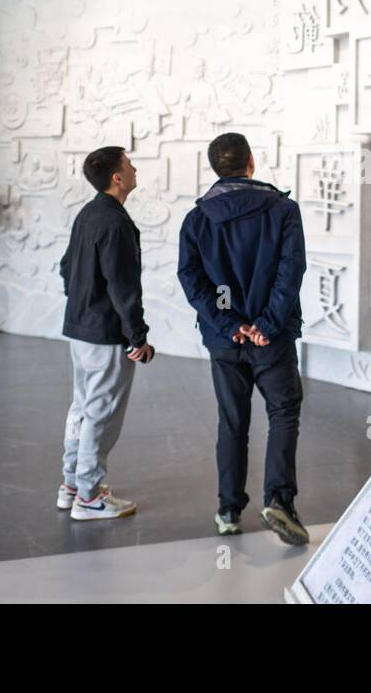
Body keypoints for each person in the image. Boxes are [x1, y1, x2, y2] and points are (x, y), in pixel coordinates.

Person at [178, 132, 309, 546]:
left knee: (232, 421)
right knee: (283, 413)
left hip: (225, 342)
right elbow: (291, 272)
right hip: (273, 339)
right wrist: (265, 325)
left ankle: (228, 509)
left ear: (217, 167)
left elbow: (192, 279)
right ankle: (280, 502)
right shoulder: (284, 210)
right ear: (251, 162)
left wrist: (228, 323)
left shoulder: (197, 219)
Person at [57, 146, 154, 520]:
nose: (134, 168)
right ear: (117, 177)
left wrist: (82, 303)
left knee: (82, 408)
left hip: (80, 329)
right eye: (129, 164)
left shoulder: (88, 214)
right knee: (100, 414)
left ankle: (72, 485)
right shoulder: (115, 221)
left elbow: (67, 268)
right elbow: (123, 287)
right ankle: (89, 497)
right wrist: (137, 337)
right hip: (105, 335)